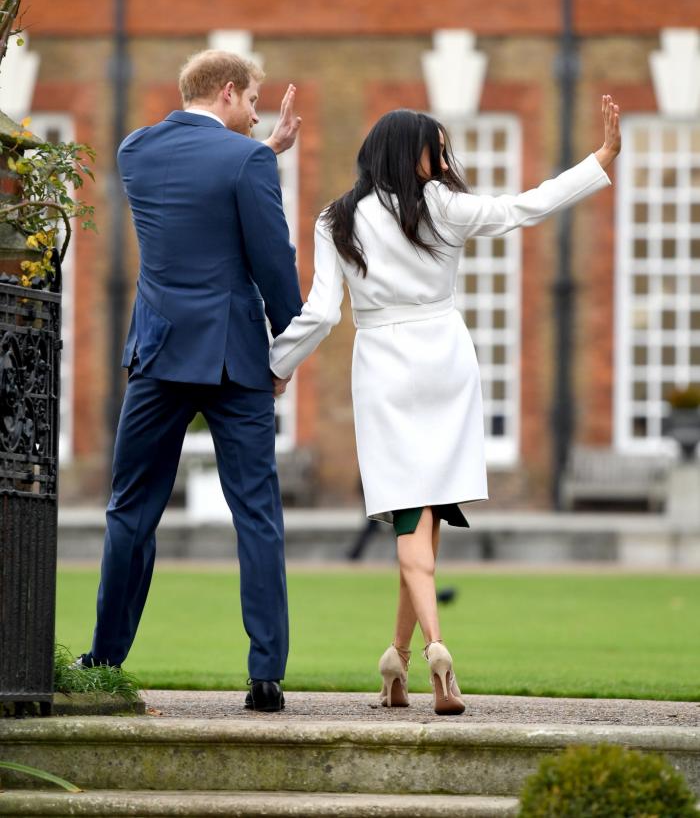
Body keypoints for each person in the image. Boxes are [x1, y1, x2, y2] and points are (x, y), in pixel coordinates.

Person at [270, 95, 621, 715]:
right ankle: (397, 662)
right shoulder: (445, 206)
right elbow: (524, 207)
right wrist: (598, 159)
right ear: (414, 153)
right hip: (446, 358)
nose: (442, 160)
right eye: (436, 149)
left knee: (410, 509)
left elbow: (323, 312)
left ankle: (436, 646)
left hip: (381, 363)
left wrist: (277, 366)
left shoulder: (337, 219)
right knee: (426, 509)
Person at [75, 50, 303, 713]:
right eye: (254, 101)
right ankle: (265, 675)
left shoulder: (134, 151)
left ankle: (105, 659)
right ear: (228, 92)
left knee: (130, 512)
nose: (259, 114)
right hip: (235, 361)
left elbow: (200, 186)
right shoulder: (248, 160)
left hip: (158, 355)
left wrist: (262, 148)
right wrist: (285, 350)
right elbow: (272, 262)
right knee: (256, 514)